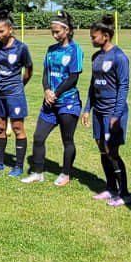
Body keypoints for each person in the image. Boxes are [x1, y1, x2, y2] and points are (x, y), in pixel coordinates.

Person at [23, 12, 84, 187]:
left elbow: (73, 77)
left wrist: (55, 93)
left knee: (67, 140)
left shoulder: (75, 50)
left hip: (67, 102)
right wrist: (46, 90)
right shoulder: (51, 50)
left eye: (57, 31)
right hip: (49, 102)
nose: (55, 35)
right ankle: (38, 173)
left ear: (67, 30)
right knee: (38, 137)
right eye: (52, 32)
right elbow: (45, 74)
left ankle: (65, 173)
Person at [83, 15, 131, 207]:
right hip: (98, 111)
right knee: (102, 149)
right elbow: (93, 84)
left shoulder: (119, 57)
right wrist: (87, 108)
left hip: (113, 111)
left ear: (106, 35)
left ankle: (125, 193)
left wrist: (116, 114)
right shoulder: (96, 57)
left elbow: (124, 87)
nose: (92, 40)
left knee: (112, 151)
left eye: (94, 37)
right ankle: (111, 188)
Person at [0, 12, 33, 176]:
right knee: (0, 127)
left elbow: (28, 70)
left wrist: (19, 86)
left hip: (15, 93)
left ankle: (18, 166)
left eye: (1, 31)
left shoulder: (21, 48)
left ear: (10, 29)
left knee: (17, 127)